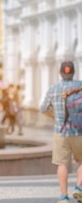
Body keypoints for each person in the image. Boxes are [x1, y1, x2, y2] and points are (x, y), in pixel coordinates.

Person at [40, 61, 82, 203]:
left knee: (62, 164)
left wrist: (56, 117)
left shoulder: (54, 89)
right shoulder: (80, 87)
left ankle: (64, 197)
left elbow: (43, 108)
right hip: (79, 132)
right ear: (73, 72)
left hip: (60, 132)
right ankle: (79, 188)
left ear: (60, 72)